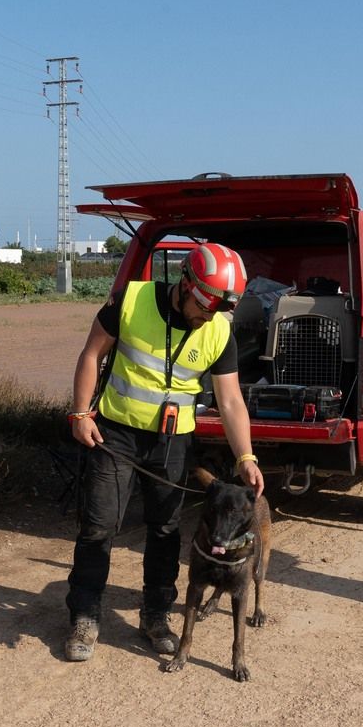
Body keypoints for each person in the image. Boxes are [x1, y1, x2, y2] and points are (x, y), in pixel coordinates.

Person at [64, 242, 266, 662]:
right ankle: (85, 615)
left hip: (173, 442)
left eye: (217, 309)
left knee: (164, 531)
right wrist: (81, 413)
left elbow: (229, 402)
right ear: (185, 283)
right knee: (99, 527)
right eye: (203, 305)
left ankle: (155, 616)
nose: (207, 316)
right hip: (115, 434)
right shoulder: (132, 300)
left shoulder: (217, 328)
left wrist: (246, 457)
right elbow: (91, 354)